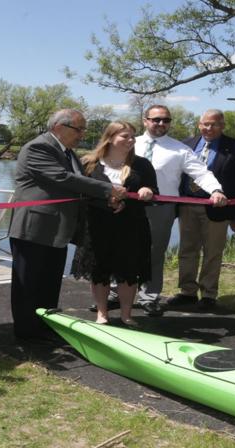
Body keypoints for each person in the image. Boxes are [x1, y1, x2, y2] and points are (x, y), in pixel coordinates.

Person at [7, 108, 124, 345]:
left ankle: (46, 325)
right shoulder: (38, 147)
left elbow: (78, 188)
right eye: (79, 129)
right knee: (28, 283)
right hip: (34, 228)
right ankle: (27, 331)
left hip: (56, 229)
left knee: (49, 283)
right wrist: (108, 189)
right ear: (59, 127)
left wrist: (108, 199)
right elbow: (63, 178)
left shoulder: (67, 152)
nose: (82, 134)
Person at [131, 105, 226, 315]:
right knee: (122, 248)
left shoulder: (180, 149)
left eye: (166, 120)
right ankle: (115, 292)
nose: (161, 123)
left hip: (161, 208)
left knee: (155, 253)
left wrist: (216, 190)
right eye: (156, 119)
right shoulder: (130, 143)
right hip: (127, 205)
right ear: (145, 121)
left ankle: (149, 297)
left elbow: (201, 172)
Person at [70, 121, 158, 325]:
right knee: (99, 270)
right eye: (125, 136)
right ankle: (102, 313)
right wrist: (106, 202)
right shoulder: (89, 163)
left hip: (132, 226)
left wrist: (147, 191)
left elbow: (154, 191)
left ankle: (127, 315)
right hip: (97, 226)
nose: (131, 140)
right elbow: (81, 193)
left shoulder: (142, 164)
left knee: (128, 271)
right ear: (109, 138)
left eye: (132, 136)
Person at [169, 110, 235, 312]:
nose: (208, 128)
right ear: (199, 124)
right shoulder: (185, 144)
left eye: (214, 124)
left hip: (217, 208)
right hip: (187, 205)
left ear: (222, 126)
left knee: (212, 253)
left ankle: (208, 294)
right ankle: (187, 292)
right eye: (205, 124)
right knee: (187, 250)